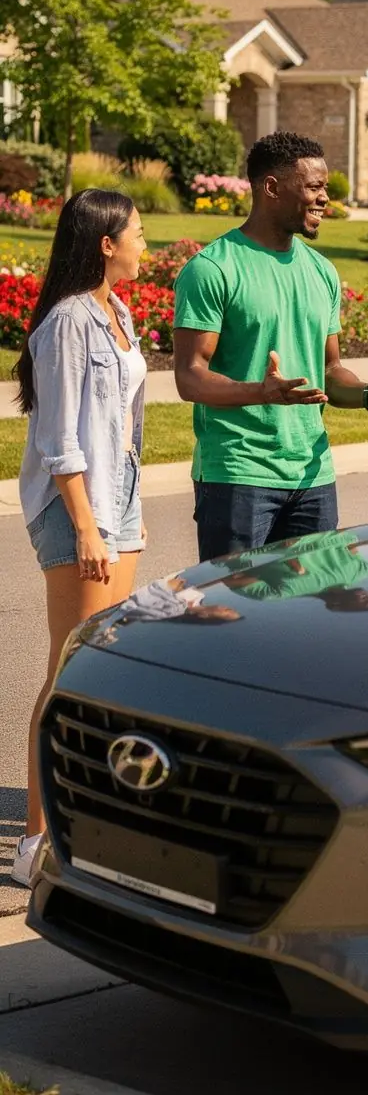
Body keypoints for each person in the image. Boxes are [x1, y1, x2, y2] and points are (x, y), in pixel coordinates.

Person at [173, 131, 368, 560]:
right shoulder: (213, 269)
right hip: (238, 473)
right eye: (314, 187)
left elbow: (330, 371)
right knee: (238, 615)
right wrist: (260, 392)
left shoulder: (322, 272)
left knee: (309, 614)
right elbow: (189, 376)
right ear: (271, 188)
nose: (325, 198)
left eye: (325, 187)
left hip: (313, 475)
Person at [12, 190, 148, 887]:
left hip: (116, 506)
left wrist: (126, 514)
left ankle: (81, 825)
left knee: (104, 672)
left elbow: (123, 426)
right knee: (72, 674)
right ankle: (37, 841)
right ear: (105, 241)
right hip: (79, 511)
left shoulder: (116, 313)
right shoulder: (67, 323)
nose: (144, 241)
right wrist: (90, 525)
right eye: (137, 231)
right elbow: (61, 440)